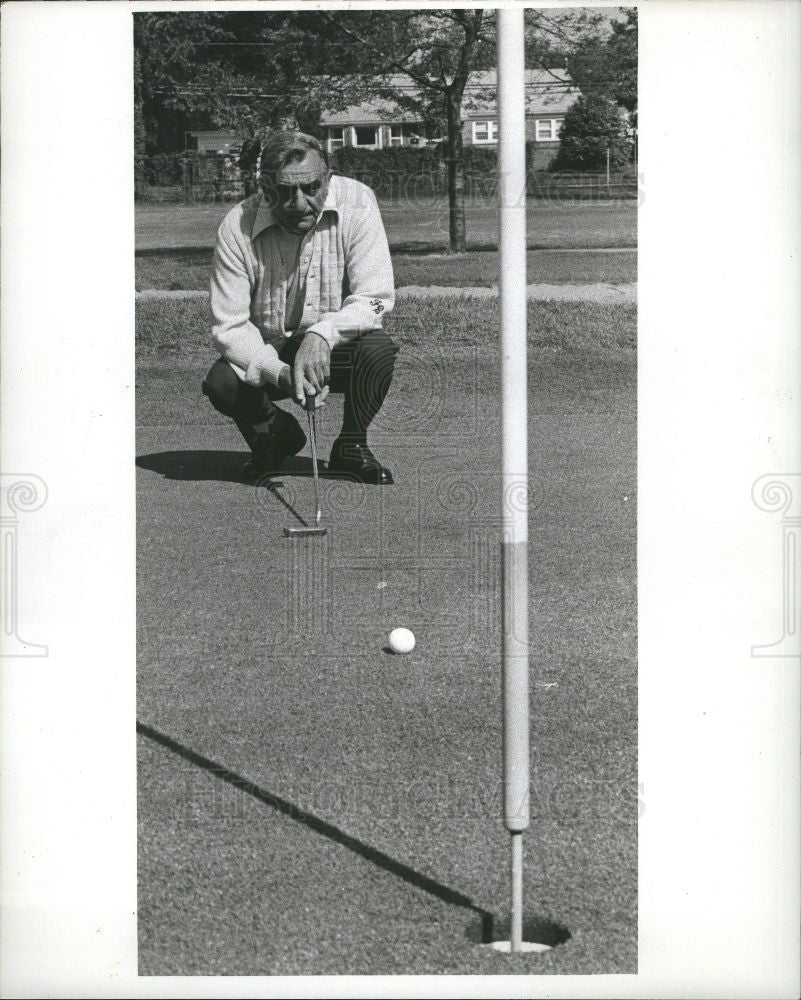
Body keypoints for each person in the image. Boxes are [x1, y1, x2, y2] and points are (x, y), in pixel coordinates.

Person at [202, 130, 398, 485]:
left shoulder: (359, 203)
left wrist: (322, 336)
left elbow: (375, 297)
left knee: (377, 351)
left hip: (334, 348)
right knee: (222, 383)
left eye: (311, 188)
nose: (299, 203)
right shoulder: (237, 224)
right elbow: (229, 326)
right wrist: (280, 373)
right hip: (270, 347)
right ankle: (273, 438)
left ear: (328, 178)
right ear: (264, 186)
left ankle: (351, 447)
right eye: (284, 191)